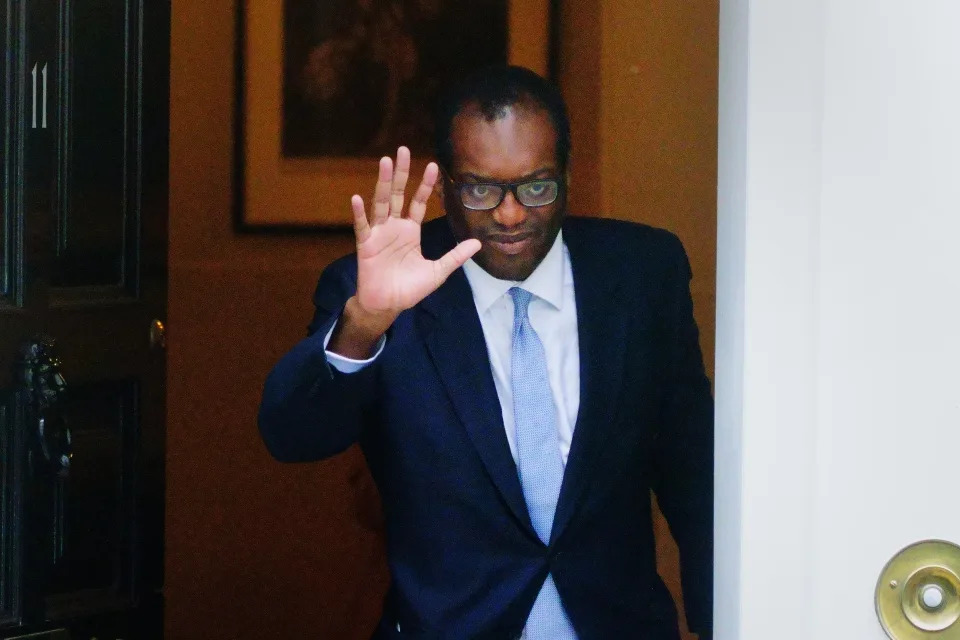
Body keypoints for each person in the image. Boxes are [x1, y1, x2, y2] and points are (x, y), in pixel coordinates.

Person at [259, 65, 713, 640]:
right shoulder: (381, 291)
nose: (510, 213)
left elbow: (695, 475)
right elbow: (291, 436)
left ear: (567, 175)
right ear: (445, 181)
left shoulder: (644, 273)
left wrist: (726, 619)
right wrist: (363, 324)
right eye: (480, 188)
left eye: (537, 186)